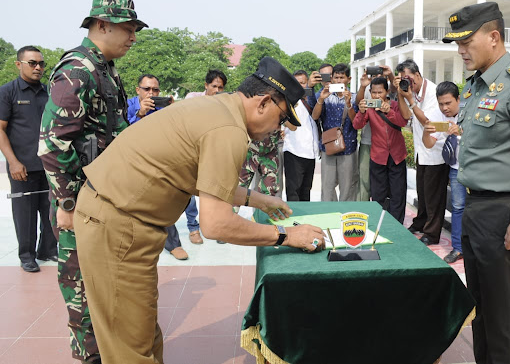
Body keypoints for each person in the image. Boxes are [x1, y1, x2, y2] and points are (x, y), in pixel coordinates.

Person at [72, 57, 325, 363]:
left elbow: (203, 181)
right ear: (264, 102)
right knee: (130, 347)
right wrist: (286, 236)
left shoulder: (216, 109)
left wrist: (260, 199)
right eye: (281, 117)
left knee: (141, 335)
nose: (277, 129)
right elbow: (216, 225)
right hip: (117, 225)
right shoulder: (228, 129)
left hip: (121, 220)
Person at [39, 0, 147, 364]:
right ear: (101, 25)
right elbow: (52, 145)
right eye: (128, 29)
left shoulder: (105, 68)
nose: (133, 36)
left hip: (100, 197)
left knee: (102, 282)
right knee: (81, 285)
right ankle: (90, 357)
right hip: (80, 199)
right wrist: (67, 203)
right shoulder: (79, 70)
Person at [443, 1, 510, 364]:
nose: (461, 51)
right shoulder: (476, 86)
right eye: (456, 44)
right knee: (481, 308)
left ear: (493, 37)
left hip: (503, 209)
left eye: (466, 42)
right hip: (474, 207)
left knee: (502, 312)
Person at [0, 46, 57, 272]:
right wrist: (13, 162)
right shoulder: (7, 92)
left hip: (48, 165)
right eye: (32, 63)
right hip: (21, 166)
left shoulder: (48, 92)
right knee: (24, 215)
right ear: (19, 64)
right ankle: (27, 255)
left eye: (41, 63)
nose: (38, 67)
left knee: (50, 210)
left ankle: (48, 250)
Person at [126, 74, 187, 260]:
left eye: (155, 90)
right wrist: (140, 114)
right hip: (131, 161)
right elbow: (123, 132)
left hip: (157, 162)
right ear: (138, 90)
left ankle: (173, 244)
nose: (151, 93)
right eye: (147, 89)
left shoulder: (161, 107)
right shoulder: (127, 105)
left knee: (163, 201)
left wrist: (174, 110)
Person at [394, 59, 442, 241]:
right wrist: (401, 93)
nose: (407, 82)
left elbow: (428, 123)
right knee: (422, 192)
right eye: (402, 79)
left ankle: (432, 233)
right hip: (421, 152)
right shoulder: (411, 92)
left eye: (408, 79)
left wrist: (410, 100)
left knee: (433, 196)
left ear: (417, 75)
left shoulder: (433, 92)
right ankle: (420, 222)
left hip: (435, 152)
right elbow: (406, 117)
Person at [353, 76, 409, 223]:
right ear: (370, 92)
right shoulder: (369, 108)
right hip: (378, 155)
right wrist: (362, 111)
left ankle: (396, 225)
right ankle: (380, 223)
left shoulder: (396, 105)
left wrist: (389, 111)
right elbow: (357, 125)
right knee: (378, 194)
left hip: (397, 155)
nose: (377, 96)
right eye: (374, 93)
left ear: (387, 91)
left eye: (380, 92)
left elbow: (403, 121)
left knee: (398, 193)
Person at [183, 69, 228, 244]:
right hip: (193, 151)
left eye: (221, 87)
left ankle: (217, 228)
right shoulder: (193, 98)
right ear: (206, 85)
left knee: (216, 190)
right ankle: (193, 228)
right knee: (190, 191)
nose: (217, 90)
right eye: (214, 86)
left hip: (215, 152)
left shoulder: (225, 104)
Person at [421, 81, 464, 264]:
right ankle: (458, 248)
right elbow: (429, 144)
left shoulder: (469, 114)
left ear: (458, 100)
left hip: (476, 169)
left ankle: (477, 246)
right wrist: (426, 132)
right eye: (441, 104)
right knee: (458, 207)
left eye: (448, 103)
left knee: (478, 209)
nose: (444, 108)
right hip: (455, 169)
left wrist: (461, 131)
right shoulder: (440, 119)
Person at [312, 63, 359, 201]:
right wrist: (321, 99)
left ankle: (346, 215)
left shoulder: (355, 97)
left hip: (348, 147)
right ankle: (328, 214)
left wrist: (349, 103)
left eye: (342, 78)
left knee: (348, 186)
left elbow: (356, 123)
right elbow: (315, 116)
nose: (339, 81)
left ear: (348, 79)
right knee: (327, 186)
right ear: (331, 78)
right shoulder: (324, 96)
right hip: (328, 147)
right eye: (336, 77)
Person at [355, 65, 396, 202]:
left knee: (384, 184)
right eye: (373, 74)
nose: (377, 96)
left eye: (380, 73)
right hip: (368, 141)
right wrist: (363, 86)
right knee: (365, 180)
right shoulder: (368, 88)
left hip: (387, 146)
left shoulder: (388, 89)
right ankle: (364, 212)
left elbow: (397, 90)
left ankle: (383, 213)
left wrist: (390, 74)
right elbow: (358, 104)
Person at [283, 70, 319, 201]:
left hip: (311, 153)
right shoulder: (288, 99)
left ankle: (304, 220)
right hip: (294, 151)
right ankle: (293, 220)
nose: (301, 86)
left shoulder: (312, 99)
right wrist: (308, 86)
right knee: (294, 192)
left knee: (306, 191)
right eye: (297, 83)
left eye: (303, 83)